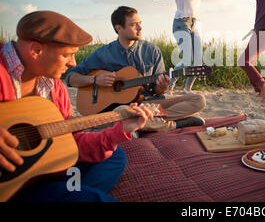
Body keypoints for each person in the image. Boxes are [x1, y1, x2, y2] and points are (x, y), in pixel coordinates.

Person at [0, 10, 152, 202]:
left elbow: (68, 143)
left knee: (115, 156)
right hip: (10, 183)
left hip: (39, 170)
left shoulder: (54, 86)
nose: (73, 63)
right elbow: (75, 77)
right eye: (67, 55)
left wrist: (119, 131)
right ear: (36, 50)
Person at [66, 6, 206, 132]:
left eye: (140, 23)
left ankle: (142, 125)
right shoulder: (103, 54)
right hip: (121, 109)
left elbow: (159, 91)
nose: (140, 28)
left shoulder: (152, 50)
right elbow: (71, 77)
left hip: (148, 104)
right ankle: (174, 124)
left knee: (198, 100)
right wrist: (95, 79)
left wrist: (162, 87)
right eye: (133, 25)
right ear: (118, 28)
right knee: (121, 111)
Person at [153, 0, 233, 94]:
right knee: (187, 60)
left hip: (195, 24)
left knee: (198, 62)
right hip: (181, 23)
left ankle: (187, 88)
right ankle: (170, 84)